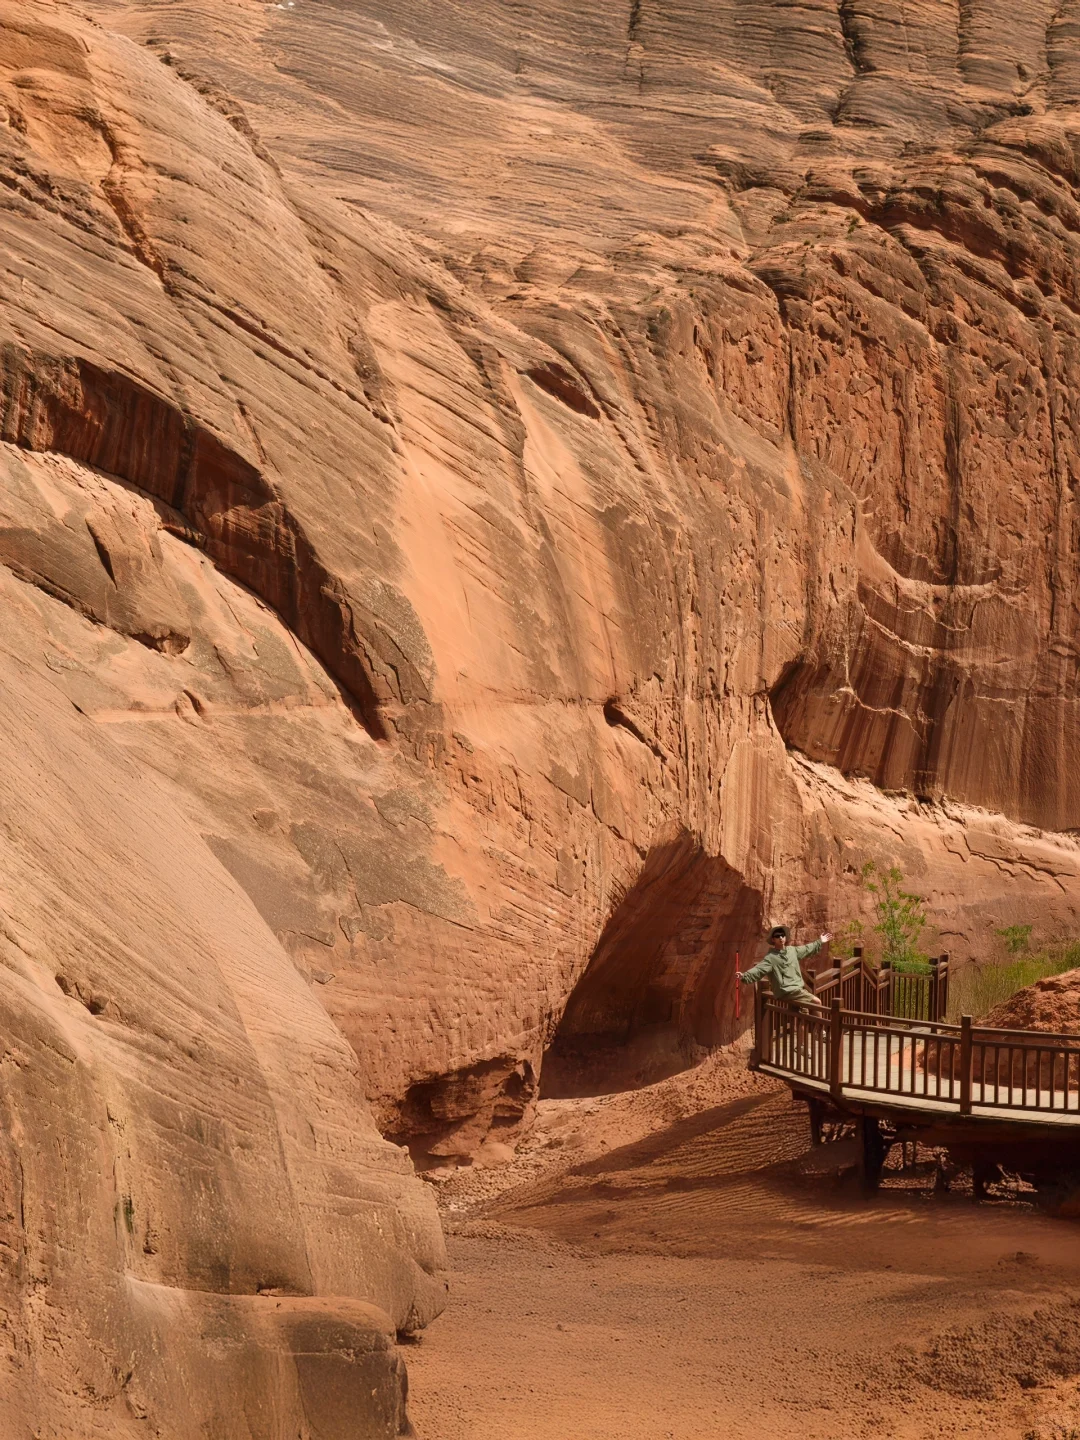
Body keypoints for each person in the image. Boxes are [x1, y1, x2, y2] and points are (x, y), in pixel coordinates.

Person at [737, 924, 831, 1008]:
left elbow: (807, 949)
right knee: (817, 1002)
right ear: (773, 939)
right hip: (788, 991)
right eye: (777, 936)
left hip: (795, 990)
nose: (781, 937)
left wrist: (820, 941)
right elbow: (759, 969)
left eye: (782, 935)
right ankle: (821, 1028)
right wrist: (744, 975)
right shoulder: (771, 958)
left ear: (785, 938)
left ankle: (809, 1027)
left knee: (802, 1014)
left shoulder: (792, 951)